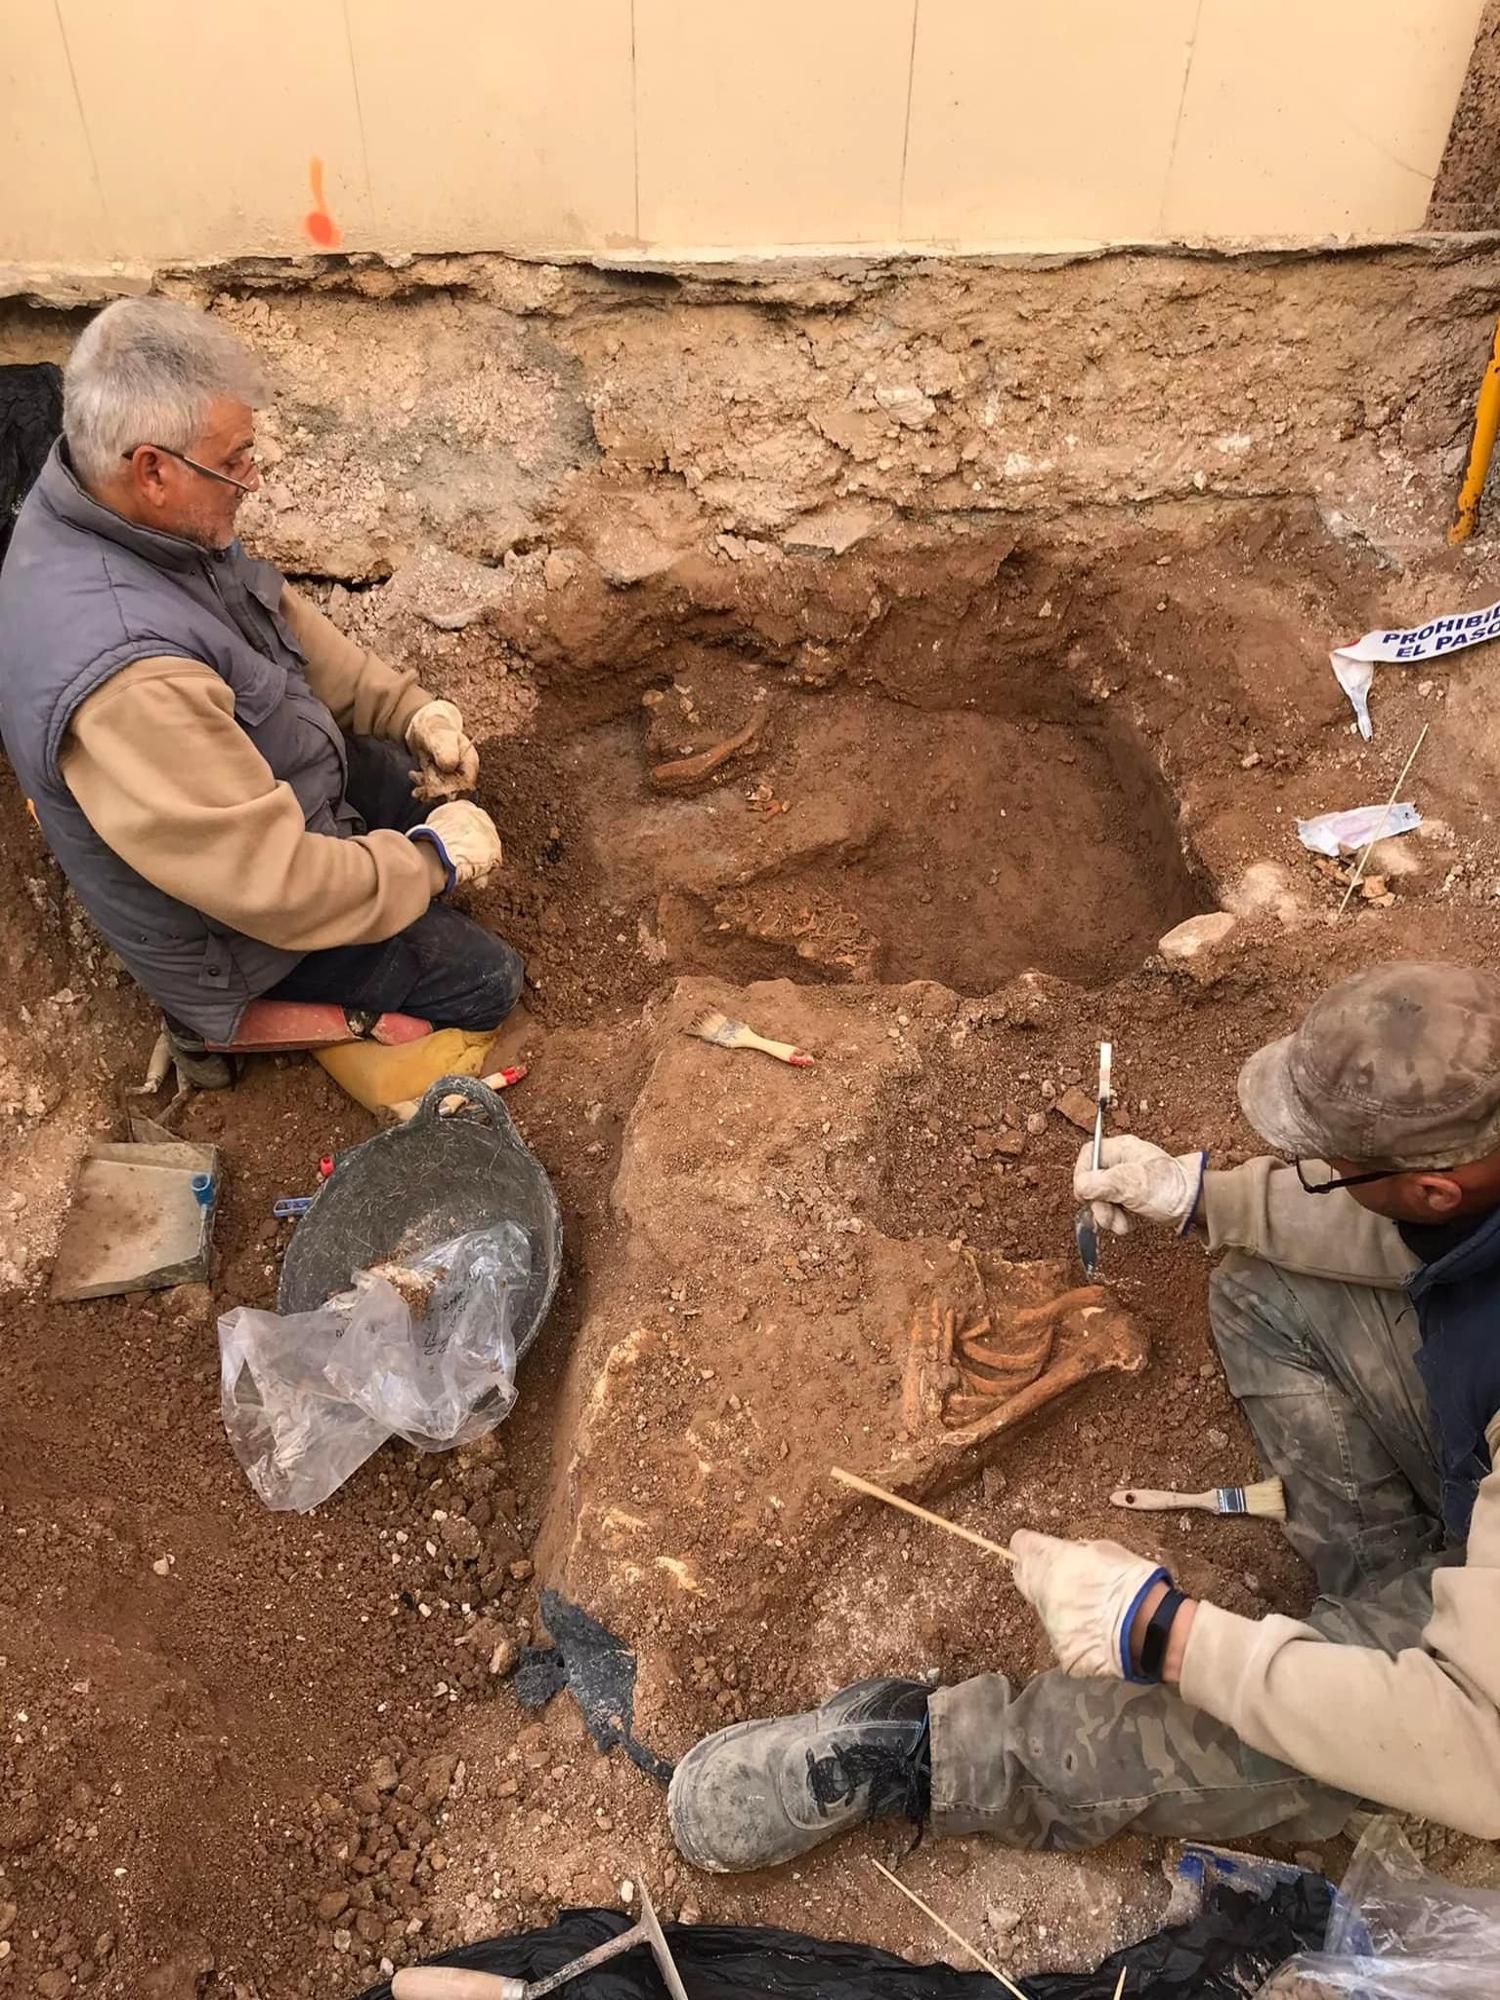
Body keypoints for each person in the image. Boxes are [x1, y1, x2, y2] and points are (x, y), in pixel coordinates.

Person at [667, 961, 1500, 1870]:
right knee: (1268, 1291)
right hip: (1478, 1490)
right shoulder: (1468, 1172)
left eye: (1331, 1172)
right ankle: (1389, 1593)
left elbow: (1476, 1747)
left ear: (1435, 1188)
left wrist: (1163, 1632)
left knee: (1320, 1729)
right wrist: (1205, 1198)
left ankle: (933, 1755)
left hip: (1481, 1724)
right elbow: (1433, 1235)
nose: (1318, 1177)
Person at [0, 297, 521, 1085]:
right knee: (488, 980)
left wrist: (410, 710)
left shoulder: (135, 509)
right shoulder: (123, 677)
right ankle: (224, 1031)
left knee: (413, 786)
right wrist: (425, 867)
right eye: (235, 459)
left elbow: (274, 614)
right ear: (153, 469)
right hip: (235, 940)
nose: (251, 477)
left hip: (247, 783)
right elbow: (274, 884)